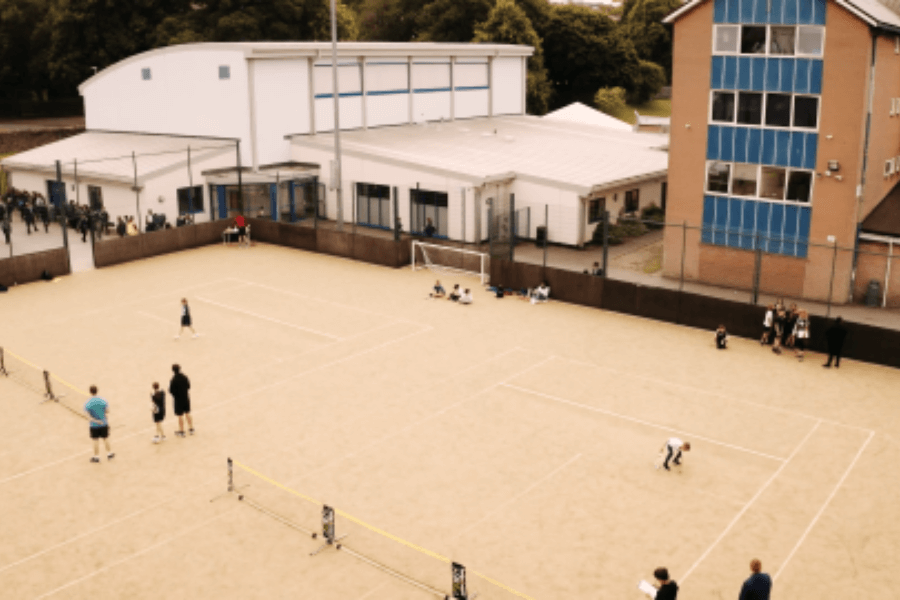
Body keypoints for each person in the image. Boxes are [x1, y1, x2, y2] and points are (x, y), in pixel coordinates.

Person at [84, 385, 114, 462]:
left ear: (90, 392)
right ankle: (109, 454)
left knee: (95, 440)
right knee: (105, 438)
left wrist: (96, 421)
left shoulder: (87, 403)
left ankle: (96, 457)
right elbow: (107, 411)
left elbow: (88, 417)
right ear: (97, 390)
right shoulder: (103, 400)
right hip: (104, 424)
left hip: (94, 426)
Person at [169, 364, 194, 437]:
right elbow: (188, 386)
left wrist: (175, 395)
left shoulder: (173, 380)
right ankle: (191, 428)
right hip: (186, 398)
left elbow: (171, 391)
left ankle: (182, 431)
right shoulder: (184, 377)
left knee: (180, 416)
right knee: (187, 413)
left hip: (178, 400)